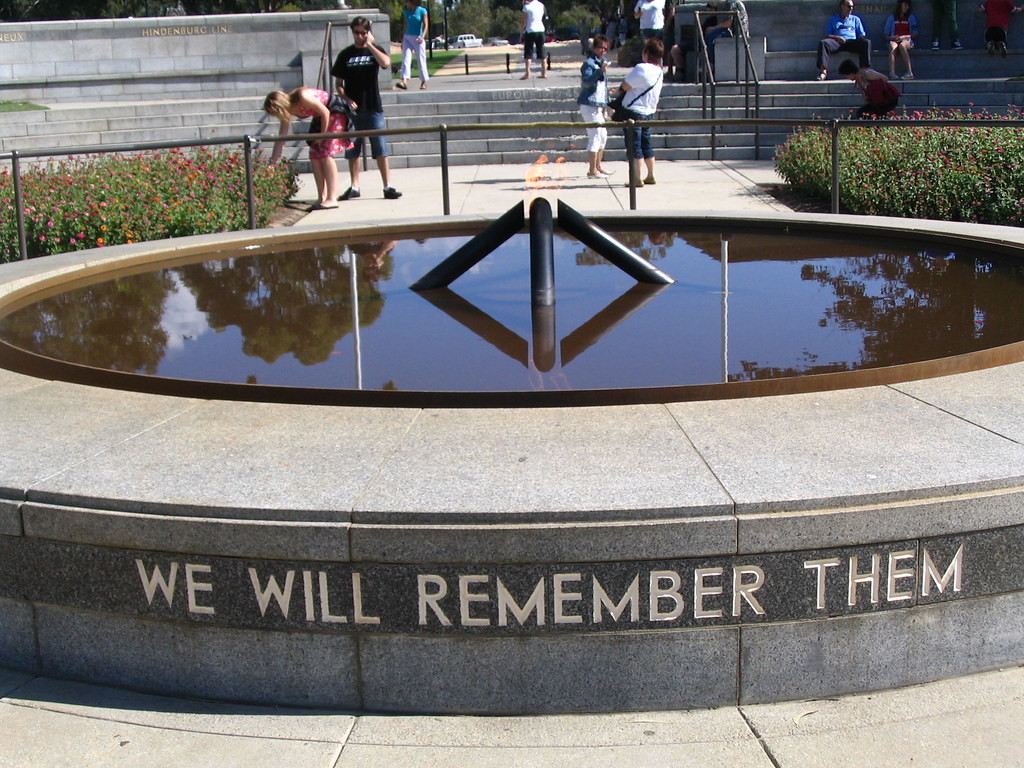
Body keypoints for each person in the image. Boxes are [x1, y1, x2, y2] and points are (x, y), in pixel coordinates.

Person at [330, 17, 403, 201]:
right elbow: (338, 83)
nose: (360, 36)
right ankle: (355, 186)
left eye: (363, 32)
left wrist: (370, 45)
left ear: (368, 32)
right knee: (353, 149)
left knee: (380, 147)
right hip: (352, 110)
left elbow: (386, 63)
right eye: (357, 32)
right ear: (352, 32)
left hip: (373, 107)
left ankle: (387, 186)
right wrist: (345, 98)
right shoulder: (346, 54)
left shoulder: (375, 50)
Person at [262, 87, 352, 210]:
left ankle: (331, 198)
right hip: (320, 117)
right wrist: (272, 163)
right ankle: (322, 197)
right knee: (314, 154)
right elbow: (281, 138)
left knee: (326, 153)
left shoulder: (302, 96)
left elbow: (325, 112)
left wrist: (322, 136)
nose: (277, 116)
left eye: (275, 113)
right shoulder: (287, 112)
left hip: (334, 111)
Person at [617, 37, 664, 186]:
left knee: (634, 146)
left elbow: (625, 85)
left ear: (646, 53)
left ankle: (636, 178)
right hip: (649, 111)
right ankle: (651, 175)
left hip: (633, 111)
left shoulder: (641, 68)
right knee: (646, 143)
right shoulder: (659, 71)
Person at [578, 34, 613, 178]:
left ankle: (598, 166)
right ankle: (592, 170)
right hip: (589, 104)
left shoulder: (601, 63)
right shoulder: (589, 64)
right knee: (595, 136)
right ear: (594, 48)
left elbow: (602, 86)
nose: (603, 51)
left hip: (599, 105)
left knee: (603, 136)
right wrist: (599, 72)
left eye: (605, 48)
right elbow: (586, 82)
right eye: (600, 48)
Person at [816, 0, 871, 80]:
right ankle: (823, 71)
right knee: (823, 43)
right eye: (849, 6)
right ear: (842, 6)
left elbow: (862, 34)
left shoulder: (856, 19)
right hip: (837, 42)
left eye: (852, 7)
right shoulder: (833, 19)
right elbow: (827, 35)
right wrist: (837, 38)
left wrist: (861, 38)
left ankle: (865, 70)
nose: (851, 8)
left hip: (851, 42)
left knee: (866, 42)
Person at [398, 0, 429, 90]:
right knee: (406, 59)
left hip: (418, 38)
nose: (405, 2)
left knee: (421, 59)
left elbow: (426, 25)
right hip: (407, 37)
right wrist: (402, 41)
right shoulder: (406, 12)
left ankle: (423, 82)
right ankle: (404, 81)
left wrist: (423, 36)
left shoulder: (422, 11)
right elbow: (405, 25)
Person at [884, 0, 918, 78]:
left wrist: (904, 37)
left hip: (906, 40)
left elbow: (915, 33)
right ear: (900, 6)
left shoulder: (911, 17)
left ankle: (909, 72)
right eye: (905, 5)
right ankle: (892, 73)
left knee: (902, 46)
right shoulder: (892, 18)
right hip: (894, 39)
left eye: (908, 5)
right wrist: (893, 37)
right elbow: (886, 34)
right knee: (892, 46)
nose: (907, 7)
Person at [522, 0, 547, 79]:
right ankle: (543, 73)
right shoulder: (541, 5)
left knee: (528, 53)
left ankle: (527, 73)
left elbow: (525, 22)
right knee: (542, 52)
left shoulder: (527, 7)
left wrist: (521, 32)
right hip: (540, 30)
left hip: (530, 31)